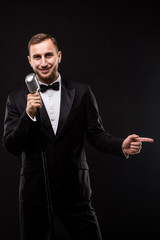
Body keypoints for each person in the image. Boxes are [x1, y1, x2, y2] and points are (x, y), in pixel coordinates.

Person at [2, 33, 154, 240]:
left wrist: (121, 146)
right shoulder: (16, 98)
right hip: (34, 194)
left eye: (49, 55)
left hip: (75, 192)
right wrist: (28, 115)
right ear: (29, 60)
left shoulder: (82, 92)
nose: (44, 62)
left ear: (59, 56)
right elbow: (11, 146)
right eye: (37, 57)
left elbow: (96, 135)